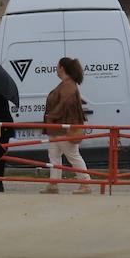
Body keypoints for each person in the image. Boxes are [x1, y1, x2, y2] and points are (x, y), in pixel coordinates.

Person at [43, 57, 93, 195]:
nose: (56, 69)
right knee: (54, 155)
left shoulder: (68, 85)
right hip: (57, 127)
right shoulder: (66, 84)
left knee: (72, 155)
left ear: (62, 68)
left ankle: (85, 182)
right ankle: (53, 183)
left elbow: (63, 104)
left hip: (63, 127)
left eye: (57, 66)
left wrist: (51, 116)